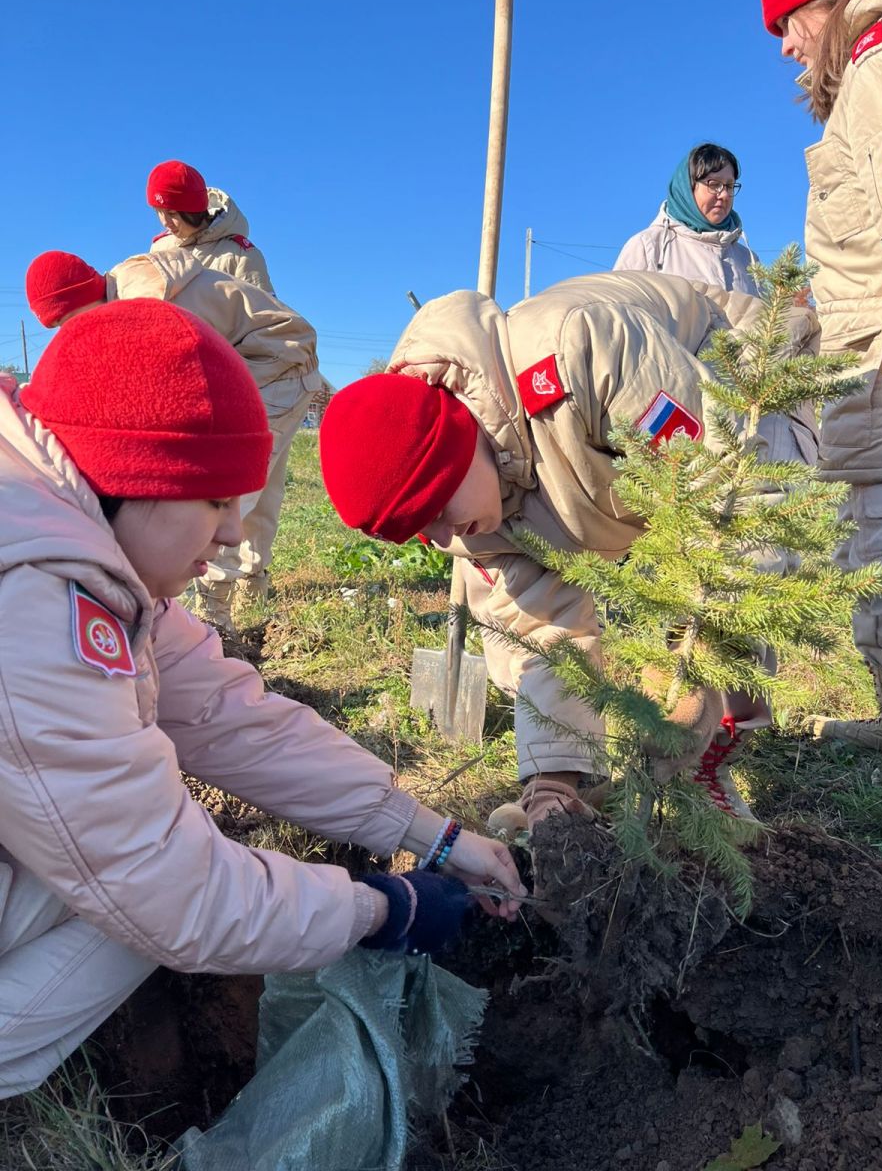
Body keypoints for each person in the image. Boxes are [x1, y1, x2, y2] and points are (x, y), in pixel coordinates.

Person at [0, 299, 522, 1098]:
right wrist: (380, 910)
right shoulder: (34, 609)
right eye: (215, 499)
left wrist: (437, 837)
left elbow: (234, 720)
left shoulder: (82, 555)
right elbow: (176, 895)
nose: (235, 533)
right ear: (131, 476)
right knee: (143, 906)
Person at [319, 271, 821, 828]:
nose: (443, 537)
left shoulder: (578, 351)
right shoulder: (471, 523)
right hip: (622, 463)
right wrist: (552, 783)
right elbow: (544, 631)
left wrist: (694, 662)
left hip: (739, 365)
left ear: (458, 447)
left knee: (736, 566)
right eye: (420, 530)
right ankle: (592, 779)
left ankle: (712, 762)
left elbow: (724, 489)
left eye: (436, 510)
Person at [25, 249, 319, 629]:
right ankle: (250, 586)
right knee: (252, 488)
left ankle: (213, 613)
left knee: (219, 482)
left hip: (273, 362)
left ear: (80, 297)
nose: (70, 332)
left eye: (67, 320)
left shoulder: (142, 308)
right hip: (282, 357)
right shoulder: (124, 286)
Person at [762, 0, 882, 752]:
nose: (787, 46)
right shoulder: (867, 81)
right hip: (873, 377)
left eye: (790, 21)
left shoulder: (880, 71)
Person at [614, 144, 759, 295]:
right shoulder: (648, 247)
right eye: (714, 185)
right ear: (687, 188)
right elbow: (620, 304)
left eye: (729, 186)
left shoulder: (749, 261)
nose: (724, 195)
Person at [146, 159, 274, 292]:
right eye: (158, 212)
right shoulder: (159, 249)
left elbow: (262, 305)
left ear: (193, 210)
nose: (165, 222)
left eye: (172, 213)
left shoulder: (241, 256)